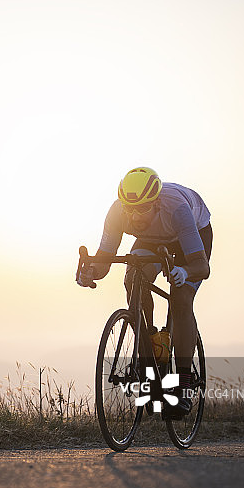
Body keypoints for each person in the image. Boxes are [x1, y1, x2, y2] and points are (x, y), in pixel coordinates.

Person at [77, 167, 212, 418]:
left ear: (156, 202)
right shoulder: (118, 212)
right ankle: (151, 350)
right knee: (132, 279)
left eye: (142, 209)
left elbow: (201, 267)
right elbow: (105, 259)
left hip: (190, 236)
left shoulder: (177, 209)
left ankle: (183, 385)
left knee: (181, 299)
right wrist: (91, 272)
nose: (134, 215)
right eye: (129, 208)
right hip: (151, 239)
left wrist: (183, 272)